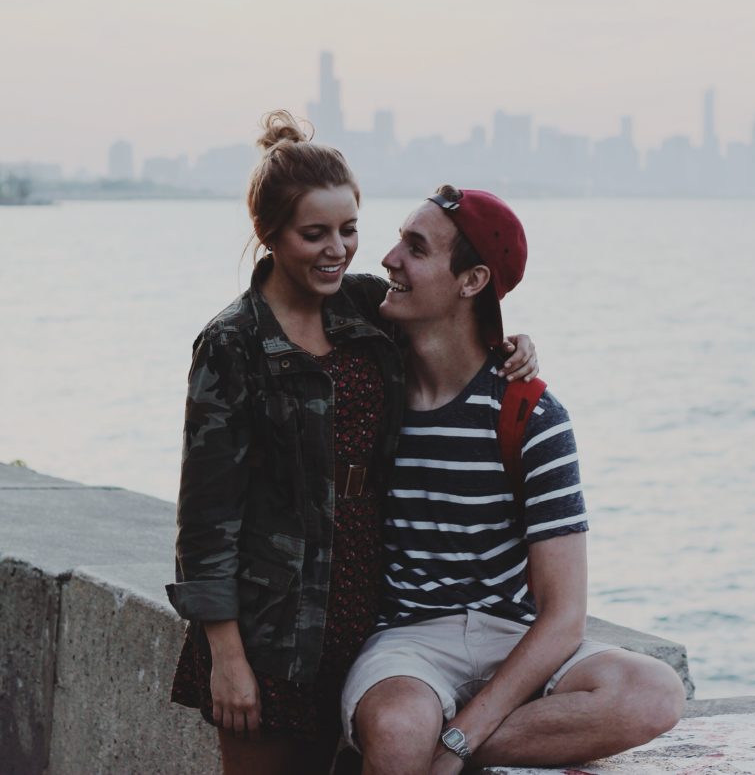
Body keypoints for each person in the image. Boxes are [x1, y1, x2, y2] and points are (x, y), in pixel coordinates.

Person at [165, 113, 537, 775]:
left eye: (349, 229)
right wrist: (226, 656)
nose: (337, 249)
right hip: (273, 625)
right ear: (269, 234)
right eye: (314, 234)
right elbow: (205, 517)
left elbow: (452, 330)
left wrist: (513, 346)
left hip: (372, 616)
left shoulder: (367, 306)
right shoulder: (232, 344)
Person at [340, 186, 686, 774]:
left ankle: (435, 748)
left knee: (651, 692)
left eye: (416, 248)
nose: (389, 258)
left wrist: (459, 741)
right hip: (408, 640)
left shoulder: (530, 414)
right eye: (399, 240)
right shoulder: (373, 391)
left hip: (513, 635)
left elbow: (564, 615)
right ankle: (415, 745)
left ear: (472, 281)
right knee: (398, 729)